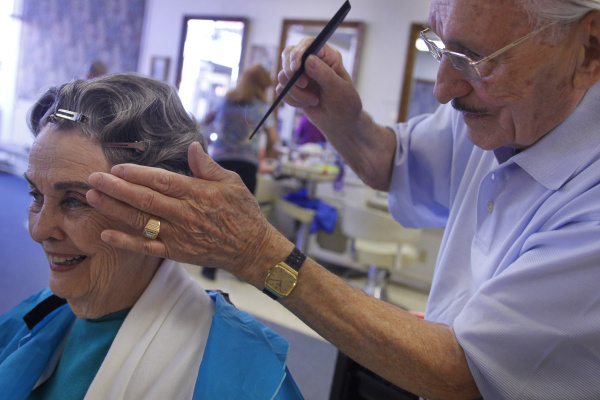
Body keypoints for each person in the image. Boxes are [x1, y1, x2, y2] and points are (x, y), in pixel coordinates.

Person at [83, 1, 600, 398]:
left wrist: (257, 252)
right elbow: (393, 163)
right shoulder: (502, 110)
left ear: (591, 47)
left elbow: (466, 372)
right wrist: (341, 117)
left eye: (473, 60)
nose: (443, 89)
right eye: (440, 48)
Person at [0, 73, 302, 400]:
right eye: (35, 195)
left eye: (75, 201)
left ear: (160, 209)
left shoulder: (238, 376)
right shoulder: (40, 313)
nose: (38, 230)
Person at [205, 64, 280, 195]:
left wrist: (208, 141)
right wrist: (267, 153)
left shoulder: (225, 101)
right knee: (243, 211)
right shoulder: (262, 108)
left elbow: (206, 120)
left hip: (220, 161)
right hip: (247, 165)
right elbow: (273, 138)